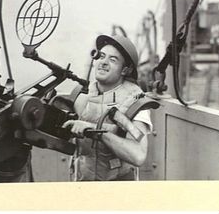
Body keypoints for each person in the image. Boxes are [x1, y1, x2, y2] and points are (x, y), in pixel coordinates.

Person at [63, 34, 152, 181]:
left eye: (112, 59)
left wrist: (95, 132)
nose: (103, 63)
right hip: (82, 184)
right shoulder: (81, 94)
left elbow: (138, 155)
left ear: (125, 70)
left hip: (118, 191)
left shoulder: (135, 102)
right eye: (101, 56)